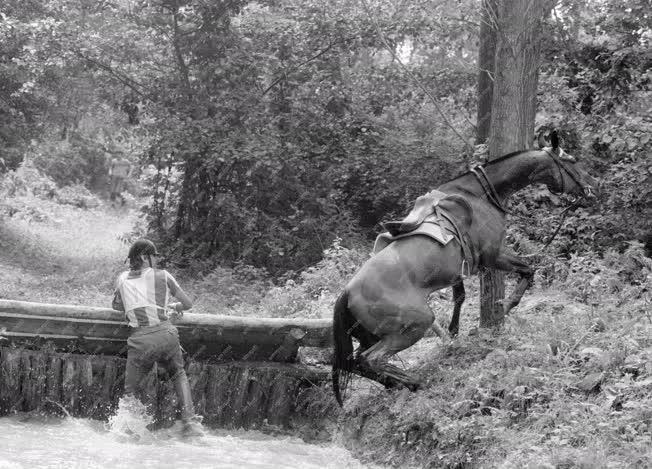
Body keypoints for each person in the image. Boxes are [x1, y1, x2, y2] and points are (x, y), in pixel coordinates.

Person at [112, 238, 204, 437]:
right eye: (154, 255)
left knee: (131, 390)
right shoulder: (163, 275)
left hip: (140, 341)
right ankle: (189, 422)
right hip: (166, 335)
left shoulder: (121, 279)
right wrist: (174, 307)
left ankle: (128, 430)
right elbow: (187, 303)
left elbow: (117, 306)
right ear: (145, 257)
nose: (156, 259)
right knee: (178, 373)